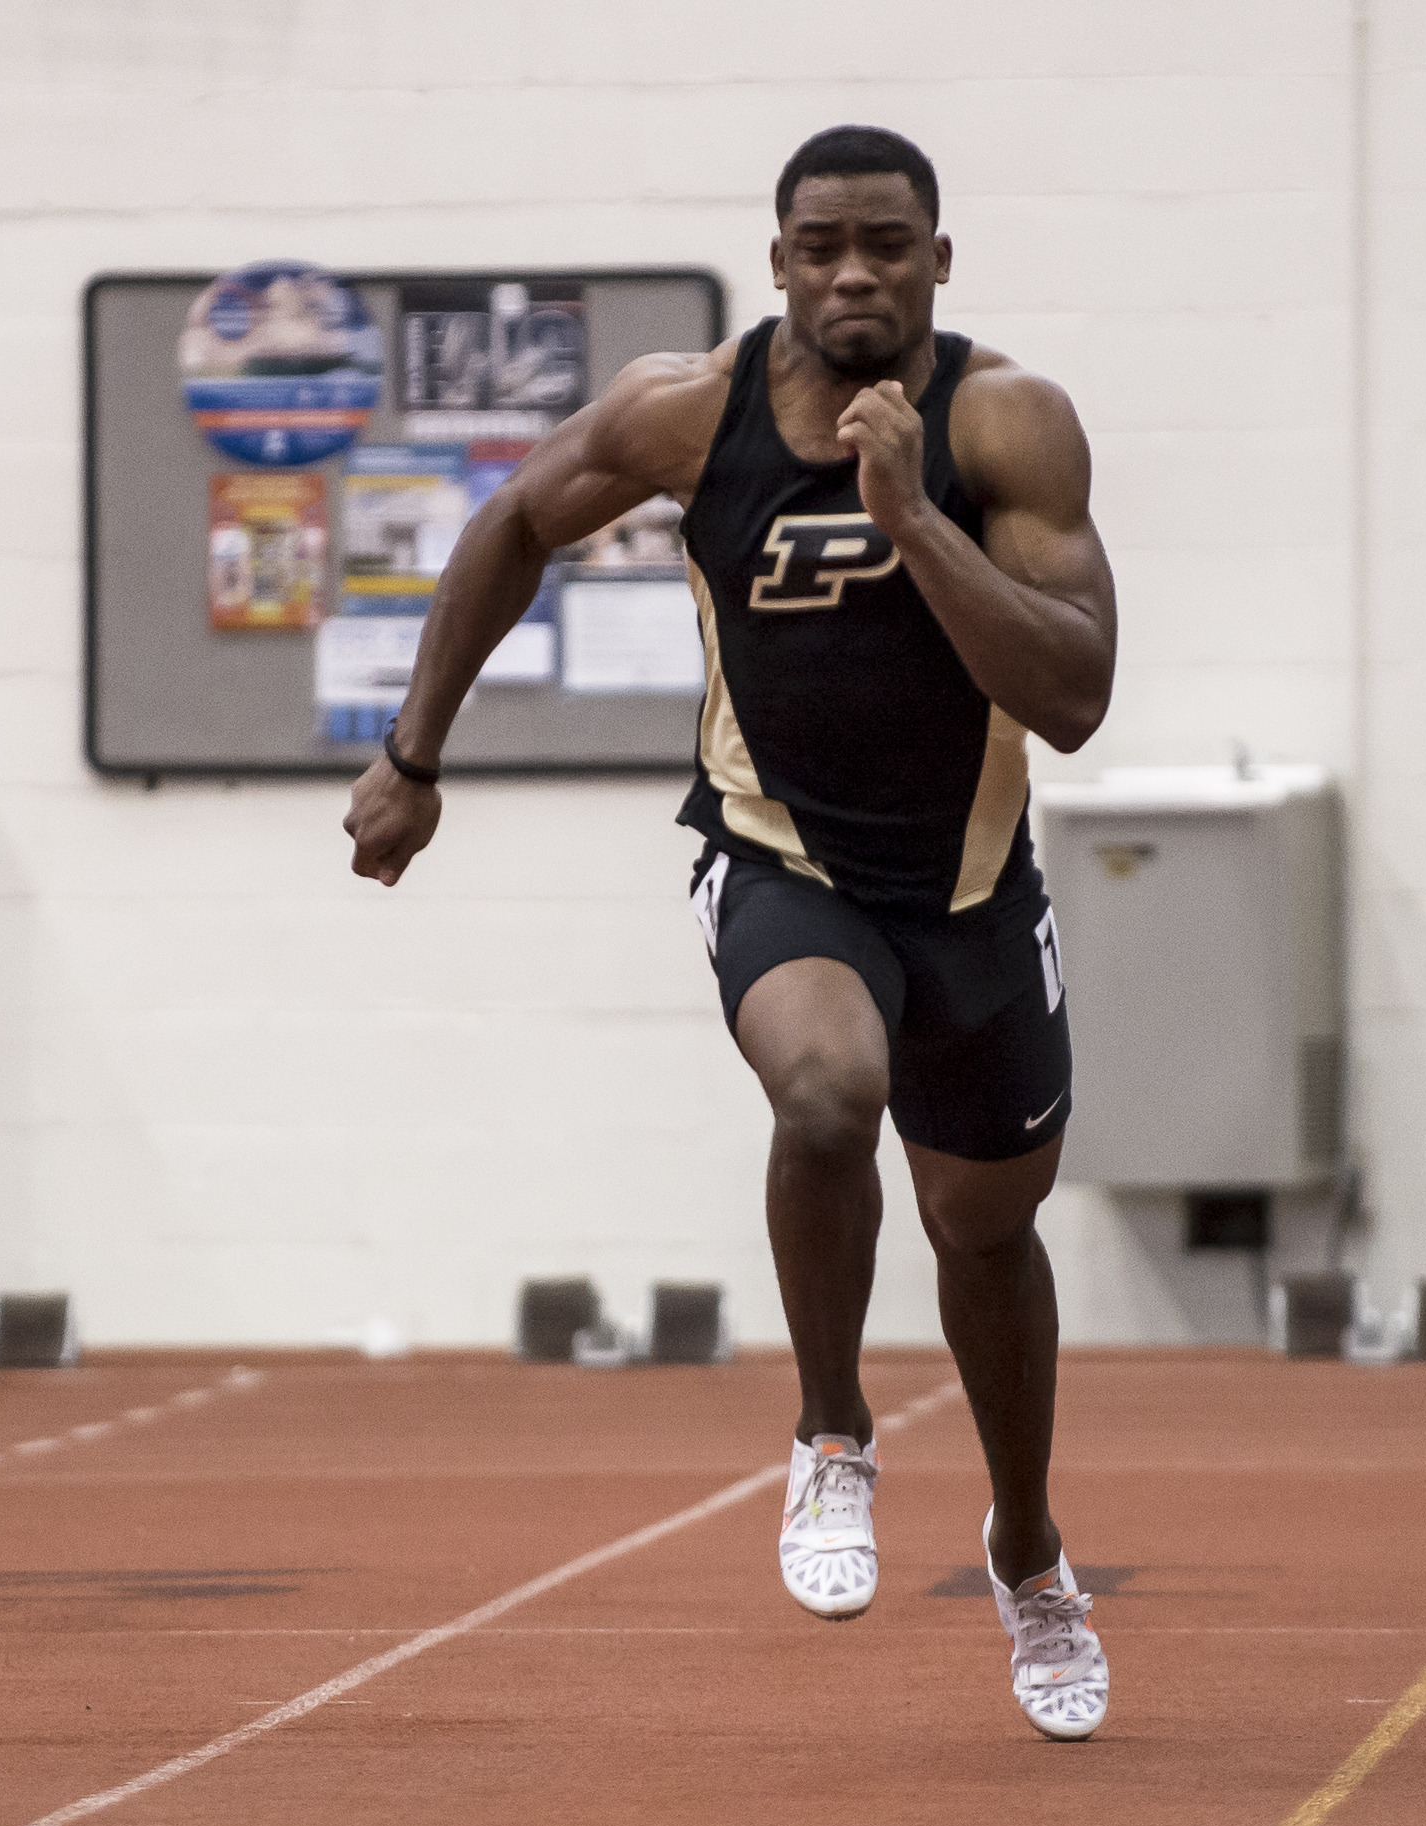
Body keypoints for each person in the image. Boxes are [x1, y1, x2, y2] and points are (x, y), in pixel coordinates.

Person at [344, 125, 1118, 1740]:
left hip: (974, 895)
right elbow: (507, 528)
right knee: (826, 1092)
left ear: (940, 262)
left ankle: (1027, 1548)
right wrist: (415, 754)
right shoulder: (684, 412)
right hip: (779, 858)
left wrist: (915, 519)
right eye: (822, 243)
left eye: (888, 244)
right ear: (777, 263)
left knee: (984, 1232)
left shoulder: (1006, 424)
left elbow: (1071, 697)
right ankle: (832, 1431)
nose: (855, 271)